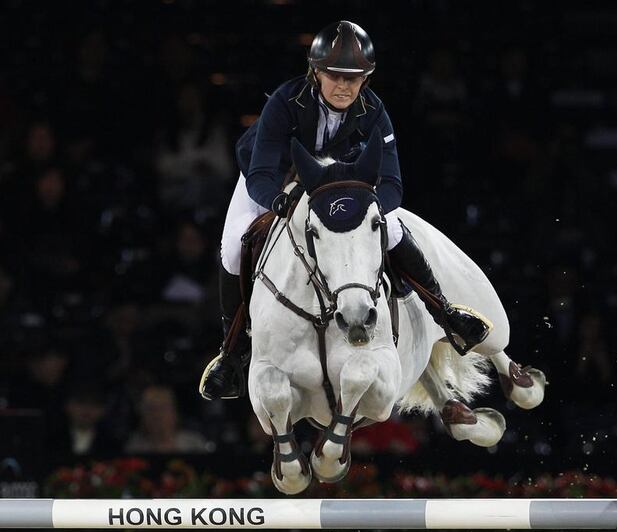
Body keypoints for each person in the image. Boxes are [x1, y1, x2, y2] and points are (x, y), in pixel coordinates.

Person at [199, 21, 491, 401]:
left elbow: (392, 183)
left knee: (396, 229)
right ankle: (232, 353)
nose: (344, 86)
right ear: (316, 72)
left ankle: (445, 313)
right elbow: (260, 174)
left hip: (337, 189)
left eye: (354, 78)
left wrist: (371, 213)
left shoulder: (374, 111)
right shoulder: (286, 102)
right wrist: (279, 202)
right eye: (335, 76)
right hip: (272, 181)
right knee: (235, 248)